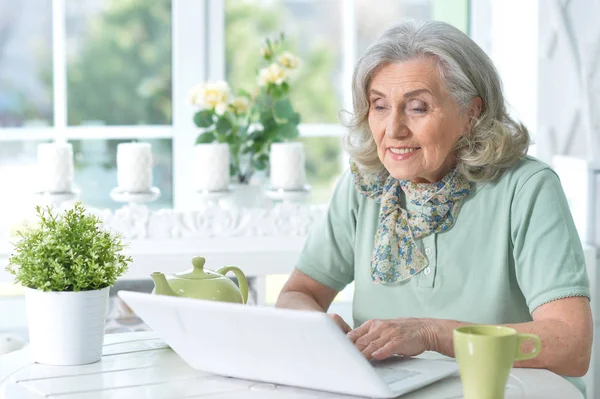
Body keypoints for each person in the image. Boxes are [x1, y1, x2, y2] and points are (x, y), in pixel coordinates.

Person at [275, 20, 592, 393]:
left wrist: (431, 333)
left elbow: (572, 344)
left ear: (471, 113)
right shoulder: (364, 186)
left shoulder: (527, 189)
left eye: (417, 108)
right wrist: (322, 330)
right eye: (379, 106)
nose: (393, 129)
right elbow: (298, 295)